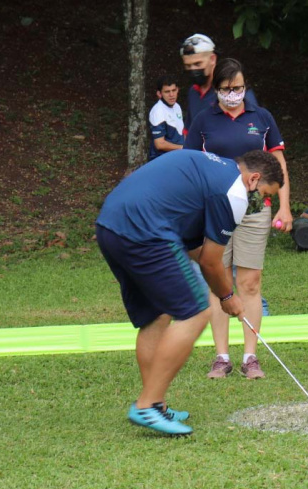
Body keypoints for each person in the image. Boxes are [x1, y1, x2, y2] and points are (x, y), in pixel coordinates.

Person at [95, 149, 284, 436]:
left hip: (111, 225)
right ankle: (147, 405)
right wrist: (227, 297)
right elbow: (210, 262)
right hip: (145, 229)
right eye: (265, 196)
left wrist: (224, 290)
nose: (262, 203)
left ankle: (155, 404)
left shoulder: (216, 171)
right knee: (197, 313)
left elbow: (198, 250)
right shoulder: (234, 193)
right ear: (254, 179)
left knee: (157, 316)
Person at [185, 58, 292, 380]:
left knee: (250, 283)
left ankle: (250, 357)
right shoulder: (203, 120)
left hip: (255, 209)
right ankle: (221, 357)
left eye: (239, 88)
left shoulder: (262, 117)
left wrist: (284, 206)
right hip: (215, 209)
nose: (233, 94)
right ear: (216, 90)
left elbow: (279, 163)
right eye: (226, 89)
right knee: (218, 281)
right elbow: (190, 164)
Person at [179, 33, 257, 135]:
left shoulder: (235, 91)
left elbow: (253, 132)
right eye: (188, 66)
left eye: (198, 64)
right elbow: (189, 131)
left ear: (213, 59)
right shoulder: (193, 92)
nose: (193, 69)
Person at [147, 74, 183, 161]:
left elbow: (180, 132)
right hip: (162, 160)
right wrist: (183, 148)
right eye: (167, 92)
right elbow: (160, 144)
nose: (171, 95)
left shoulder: (177, 106)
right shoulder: (158, 111)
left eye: (174, 90)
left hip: (178, 157)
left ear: (177, 90)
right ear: (159, 94)